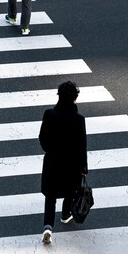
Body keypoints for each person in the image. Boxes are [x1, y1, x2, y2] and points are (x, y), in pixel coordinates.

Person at [38, 81, 88, 244]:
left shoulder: (49, 114)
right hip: (72, 163)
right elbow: (82, 145)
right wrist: (83, 167)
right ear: (74, 99)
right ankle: (66, 215)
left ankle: (47, 227)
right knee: (69, 191)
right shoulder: (78, 119)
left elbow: (43, 138)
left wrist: (50, 150)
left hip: (53, 161)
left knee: (50, 196)